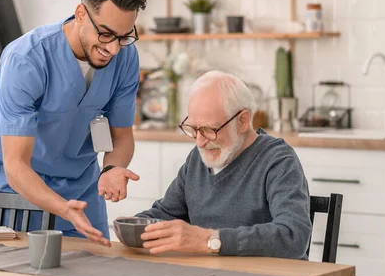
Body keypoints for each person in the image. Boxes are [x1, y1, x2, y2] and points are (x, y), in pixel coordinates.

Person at [0, 0, 147, 247]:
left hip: (81, 191)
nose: (114, 49)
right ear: (81, 13)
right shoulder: (26, 60)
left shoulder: (126, 58)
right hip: (20, 193)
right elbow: (16, 164)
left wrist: (112, 169)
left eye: (123, 36)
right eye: (106, 34)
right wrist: (61, 207)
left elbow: (121, 136)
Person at [125, 71, 312, 258]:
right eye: (193, 129)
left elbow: (294, 236)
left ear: (242, 121)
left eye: (209, 129)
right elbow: (165, 213)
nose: (199, 142)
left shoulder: (278, 160)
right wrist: (132, 225)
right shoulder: (198, 158)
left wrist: (209, 240)